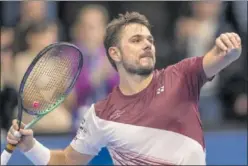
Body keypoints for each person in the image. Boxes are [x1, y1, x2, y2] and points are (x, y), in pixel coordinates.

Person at [6, 12, 242, 165]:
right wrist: (30, 146)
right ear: (114, 53)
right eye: (136, 40)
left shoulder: (181, 76)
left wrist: (231, 48)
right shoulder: (100, 115)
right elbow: (67, 161)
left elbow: (221, 56)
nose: (147, 45)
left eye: (150, 40)